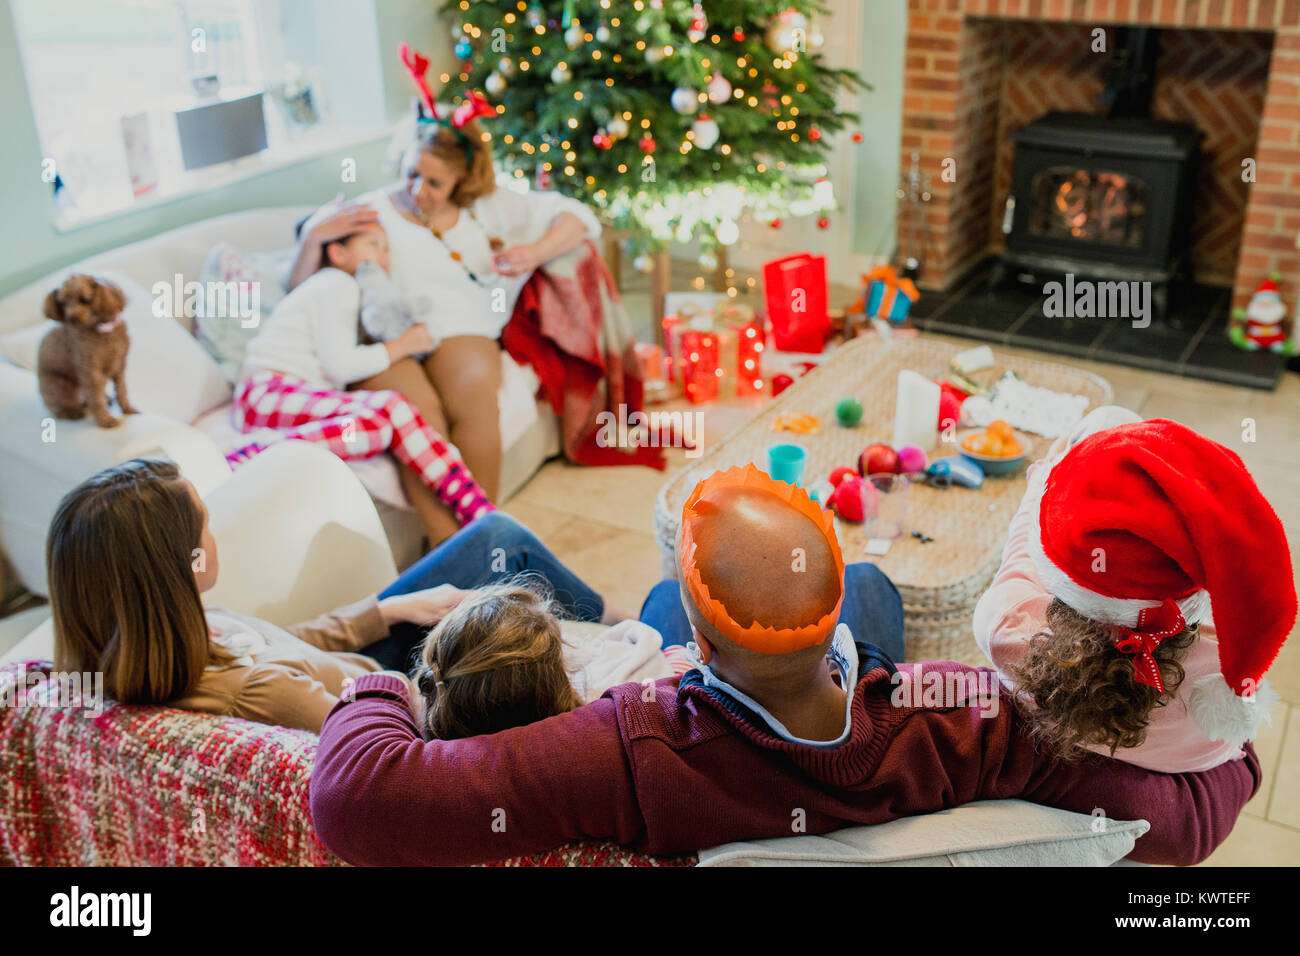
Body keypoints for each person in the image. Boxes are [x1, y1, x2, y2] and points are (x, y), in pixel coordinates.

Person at [310, 465, 1261, 866]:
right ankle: (637, 614)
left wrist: (382, 676)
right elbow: (1181, 817)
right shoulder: (963, 714)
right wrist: (1239, 748)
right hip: (856, 701)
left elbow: (355, 799)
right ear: (829, 607)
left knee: (503, 541)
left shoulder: (630, 742)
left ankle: (621, 616)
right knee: (885, 573)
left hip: (683, 683)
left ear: (701, 641)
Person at [45, 460, 625, 734]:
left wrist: (387, 610)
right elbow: (390, 738)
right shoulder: (262, 693)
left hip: (367, 660)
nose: (214, 535)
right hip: (402, 687)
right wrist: (449, 657)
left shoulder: (148, 640)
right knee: (510, 561)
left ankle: (604, 612)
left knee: (496, 537)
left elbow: (280, 643)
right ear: (175, 568)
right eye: (204, 524)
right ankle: (634, 622)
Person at [288, 112, 600, 529]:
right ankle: (451, 547)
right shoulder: (370, 211)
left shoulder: (489, 207)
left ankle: (474, 540)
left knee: (476, 404)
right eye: (411, 172)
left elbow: (578, 217)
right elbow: (304, 290)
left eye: (435, 183)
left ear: (461, 180)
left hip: (460, 332)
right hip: (385, 337)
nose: (418, 190)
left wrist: (534, 252)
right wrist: (312, 237)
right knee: (415, 420)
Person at [973, 413, 1296, 772]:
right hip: (1190, 774)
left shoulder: (1006, 624)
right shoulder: (1222, 666)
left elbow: (1019, 551)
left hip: (1067, 772)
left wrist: (1044, 479)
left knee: (1108, 419)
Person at [231, 224, 493, 538]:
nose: (383, 255)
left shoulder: (349, 293)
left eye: (386, 248)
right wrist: (404, 345)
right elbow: (341, 365)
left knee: (379, 426)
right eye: (373, 245)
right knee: (392, 406)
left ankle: (477, 512)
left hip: (280, 397)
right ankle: (479, 511)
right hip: (264, 393)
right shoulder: (336, 283)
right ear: (337, 253)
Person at [411, 583, 692, 741]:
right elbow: (674, 678)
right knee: (669, 593)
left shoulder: (435, 732)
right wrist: (681, 661)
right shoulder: (619, 704)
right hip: (671, 668)